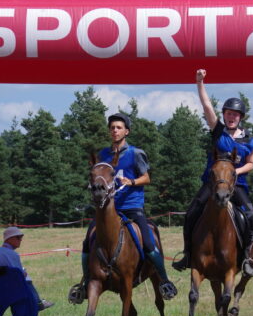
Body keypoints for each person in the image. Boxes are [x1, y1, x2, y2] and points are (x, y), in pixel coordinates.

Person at [70, 112, 178, 302]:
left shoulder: (136, 153)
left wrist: (132, 181)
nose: (115, 130)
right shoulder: (103, 154)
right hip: (108, 209)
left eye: (119, 127)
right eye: (112, 128)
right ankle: (85, 283)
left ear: (126, 131)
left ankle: (164, 281)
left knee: (149, 244)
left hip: (131, 207)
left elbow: (147, 178)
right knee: (88, 242)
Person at [172, 69, 253, 277]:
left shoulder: (249, 139)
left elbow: (252, 163)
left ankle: (246, 256)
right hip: (212, 184)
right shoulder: (218, 131)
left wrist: (234, 172)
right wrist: (199, 82)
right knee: (192, 213)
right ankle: (188, 254)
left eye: (235, 114)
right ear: (224, 115)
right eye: (228, 113)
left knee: (251, 217)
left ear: (240, 117)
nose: (231, 117)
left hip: (236, 185)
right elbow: (206, 105)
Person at [0, 226, 55, 310]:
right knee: (26, 280)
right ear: (9, 239)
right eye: (18, 237)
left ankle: (37, 303)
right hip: (8, 291)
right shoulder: (12, 254)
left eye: (21, 237)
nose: (21, 240)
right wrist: (24, 273)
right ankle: (36, 303)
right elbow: (18, 275)